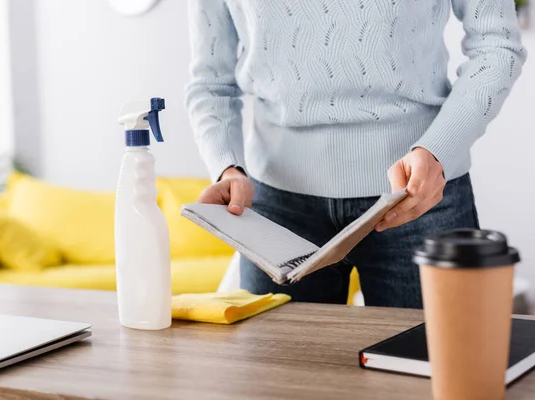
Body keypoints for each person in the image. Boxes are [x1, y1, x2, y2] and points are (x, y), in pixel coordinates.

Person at [184, 0, 526, 308]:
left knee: (439, 371)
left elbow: (497, 46)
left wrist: (439, 149)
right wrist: (226, 166)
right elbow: (210, 81)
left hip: (420, 197)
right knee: (279, 374)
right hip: (277, 210)